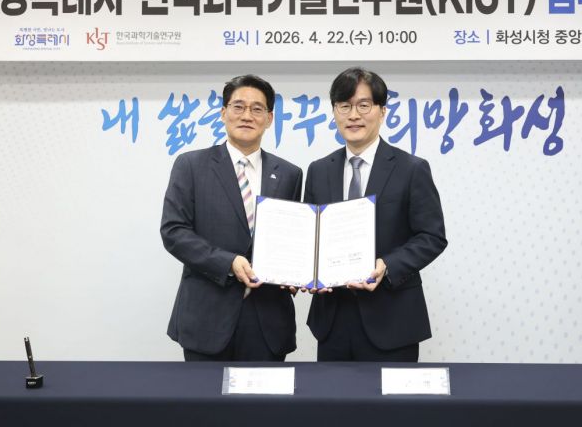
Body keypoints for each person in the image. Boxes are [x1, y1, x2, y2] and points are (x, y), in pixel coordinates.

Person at [304, 67, 448, 362]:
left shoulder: (411, 169)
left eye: (364, 105)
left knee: (391, 396)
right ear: (334, 112)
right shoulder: (318, 170)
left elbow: (432, 236)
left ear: (382, 111)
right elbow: (310, 236)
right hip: (332, 321)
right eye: (344, 106)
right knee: (330, 393)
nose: (353, 115)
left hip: (392, 319)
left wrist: (387, 265)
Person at [161, 74, 302, 361]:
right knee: (203, 392)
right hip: (207, 318)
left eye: (257, 108)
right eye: (238, 107)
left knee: (266, 393)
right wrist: (228, 263)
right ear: (224, 113)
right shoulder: (191, 165)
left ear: (269, 118)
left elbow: (294, 237)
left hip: (268, 321)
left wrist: (298, 271)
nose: (247, 115)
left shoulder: (290, 174)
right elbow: (174, 232)